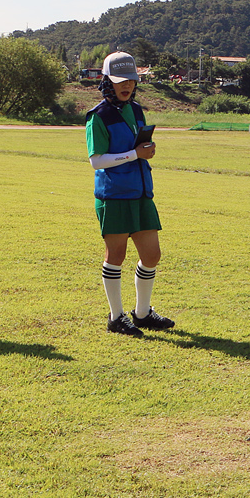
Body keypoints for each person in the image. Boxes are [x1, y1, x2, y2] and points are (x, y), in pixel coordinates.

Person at [87, 51, 176, 336]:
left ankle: (141, 313)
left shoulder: (136, 110)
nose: (126, 86)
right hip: (113, 195)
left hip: (141, 192)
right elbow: (96, 160)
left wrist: (146, 151)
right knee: (116, 255)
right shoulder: (97, 117)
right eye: (119, 81)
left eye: (130, 80)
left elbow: (137, 148)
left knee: (152, 255)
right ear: (107, 82)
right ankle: (116, 317)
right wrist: (133, 154)